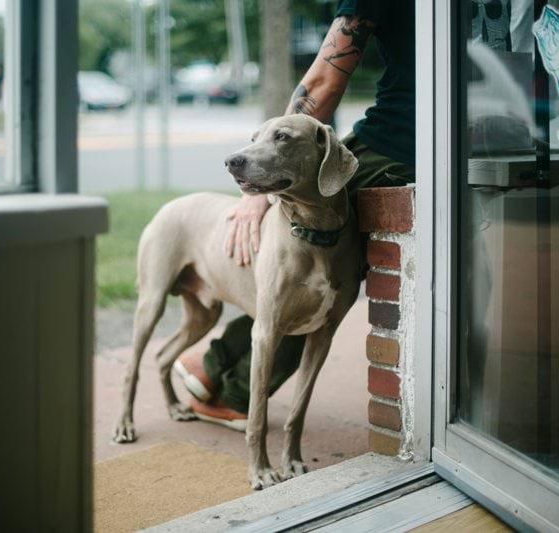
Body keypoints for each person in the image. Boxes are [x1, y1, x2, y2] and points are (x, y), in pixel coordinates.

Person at [173, 0, 416, 425]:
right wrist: (259, 192)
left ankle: (216, 361)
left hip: (432, 144)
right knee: (317, 259)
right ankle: (231, 386)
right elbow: (322, 79)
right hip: (394, 145)